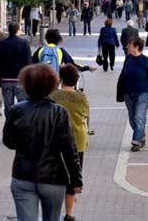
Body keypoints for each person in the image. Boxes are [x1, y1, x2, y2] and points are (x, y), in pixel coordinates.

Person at [3, 63, 82, 221]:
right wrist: (76, 180)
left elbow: (9, 141)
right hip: (53, 177)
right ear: (52, 85)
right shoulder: (59, 112)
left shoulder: (16, 110)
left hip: (23, 174)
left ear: (26, 85)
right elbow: (69, 150)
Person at [51, 65, 89, 221]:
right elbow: (85, 114)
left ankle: (53, 212)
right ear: (76, 80)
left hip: (55, 141)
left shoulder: (53, 95)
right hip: (77, 141)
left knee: (55, 177)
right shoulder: (82, 98)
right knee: (73, 177)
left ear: (60, 79)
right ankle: (69, 213)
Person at [115, 36, 148, 152]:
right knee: (133, 120)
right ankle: (141, 136)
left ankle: (136, 141)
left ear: (136, 47)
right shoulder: (128, 59)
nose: (127, 47)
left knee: (138, 117)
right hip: (128, 94)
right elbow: (122, 75)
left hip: (143, 94)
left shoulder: (146, 61)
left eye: (130, 45)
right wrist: (120, 90)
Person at [0, 22, 33, 116]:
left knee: (8, 105)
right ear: (17, 30)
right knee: (23, 104)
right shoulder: (24, 43)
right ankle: (20, 122)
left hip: (6, 79)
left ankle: (9, 122)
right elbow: (28, 61)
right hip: (20, 79)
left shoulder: (2, 43)